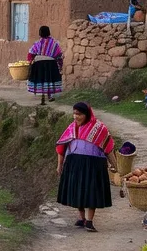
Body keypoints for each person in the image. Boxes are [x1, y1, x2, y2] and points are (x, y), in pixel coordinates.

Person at [56, 102, 115, 231]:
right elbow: (61, 147)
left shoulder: (100, 129)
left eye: (80, 114)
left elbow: (108, 148)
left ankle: (89, 221)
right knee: (78, 190)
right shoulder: (72, 128)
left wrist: (115, 166)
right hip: (74, 163)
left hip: (94, 164)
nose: (76, 117)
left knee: (91, 191)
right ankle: (81, 218)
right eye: (74, 113)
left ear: (87, 114)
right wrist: (59, 164)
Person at [27, 26, 64, 105]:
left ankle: (42, 94)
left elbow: (30, 54)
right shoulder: (54, 43)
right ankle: (50, 95)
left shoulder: (37, 43)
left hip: (39, 64)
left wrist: (30, 61)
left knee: (42, 78)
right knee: (50, 79)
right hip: (51, 65)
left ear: (40, 33)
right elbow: (59, 55)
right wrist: (60, 65)